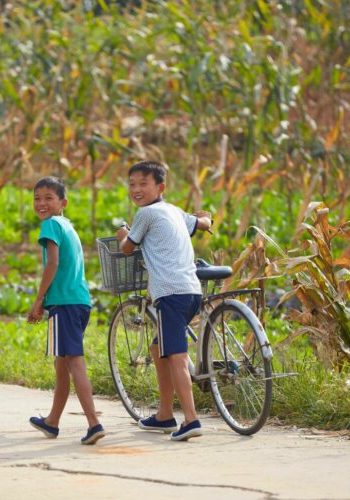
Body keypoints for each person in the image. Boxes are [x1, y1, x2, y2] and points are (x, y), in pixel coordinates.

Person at [116, 160, 212, 441]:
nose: (136, 189)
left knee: (177, 358)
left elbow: (127, 248)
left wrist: (123, 233)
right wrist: (208, 219)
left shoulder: (145, 214)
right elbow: (202, 223)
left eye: (143, 184)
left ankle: (191, 420)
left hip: (170, 293)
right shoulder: (174, 211)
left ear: (159, 187)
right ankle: (164, 415)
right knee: (159, 349)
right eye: (132, 184)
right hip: (191, 290)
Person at [27, 176, 105, 445]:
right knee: (61, 365)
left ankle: (94, 423)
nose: (42, 203)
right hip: (79, 302)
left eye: (49, 198)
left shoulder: (50, 225)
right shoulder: (67, 226)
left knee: (74, 362)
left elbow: (53, 265)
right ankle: (52, 422)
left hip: (64, 303)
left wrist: (39, 300)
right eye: (37, 198)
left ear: (63, 203)